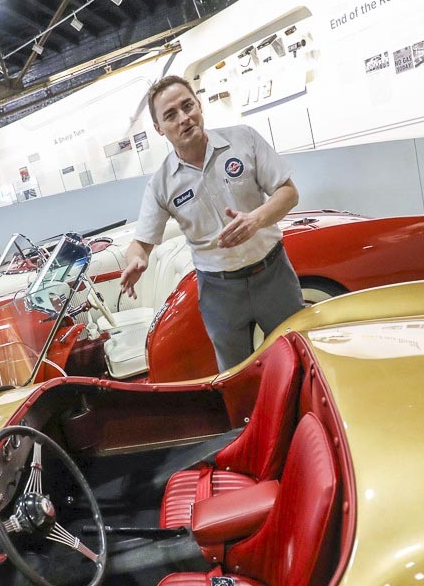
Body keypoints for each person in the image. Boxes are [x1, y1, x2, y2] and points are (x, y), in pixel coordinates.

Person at [121, 75, 304, 371]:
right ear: (159, 129)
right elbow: (140, 244)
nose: (184, 118)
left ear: (199, 105)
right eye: (171, 115)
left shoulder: (244, 139)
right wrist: (136, 260)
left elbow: (289, 193)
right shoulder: (161, 184)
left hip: (274, 276)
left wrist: (255, 220)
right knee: (236, 377)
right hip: (220, 294)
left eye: (187, 106)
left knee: (297, 357)